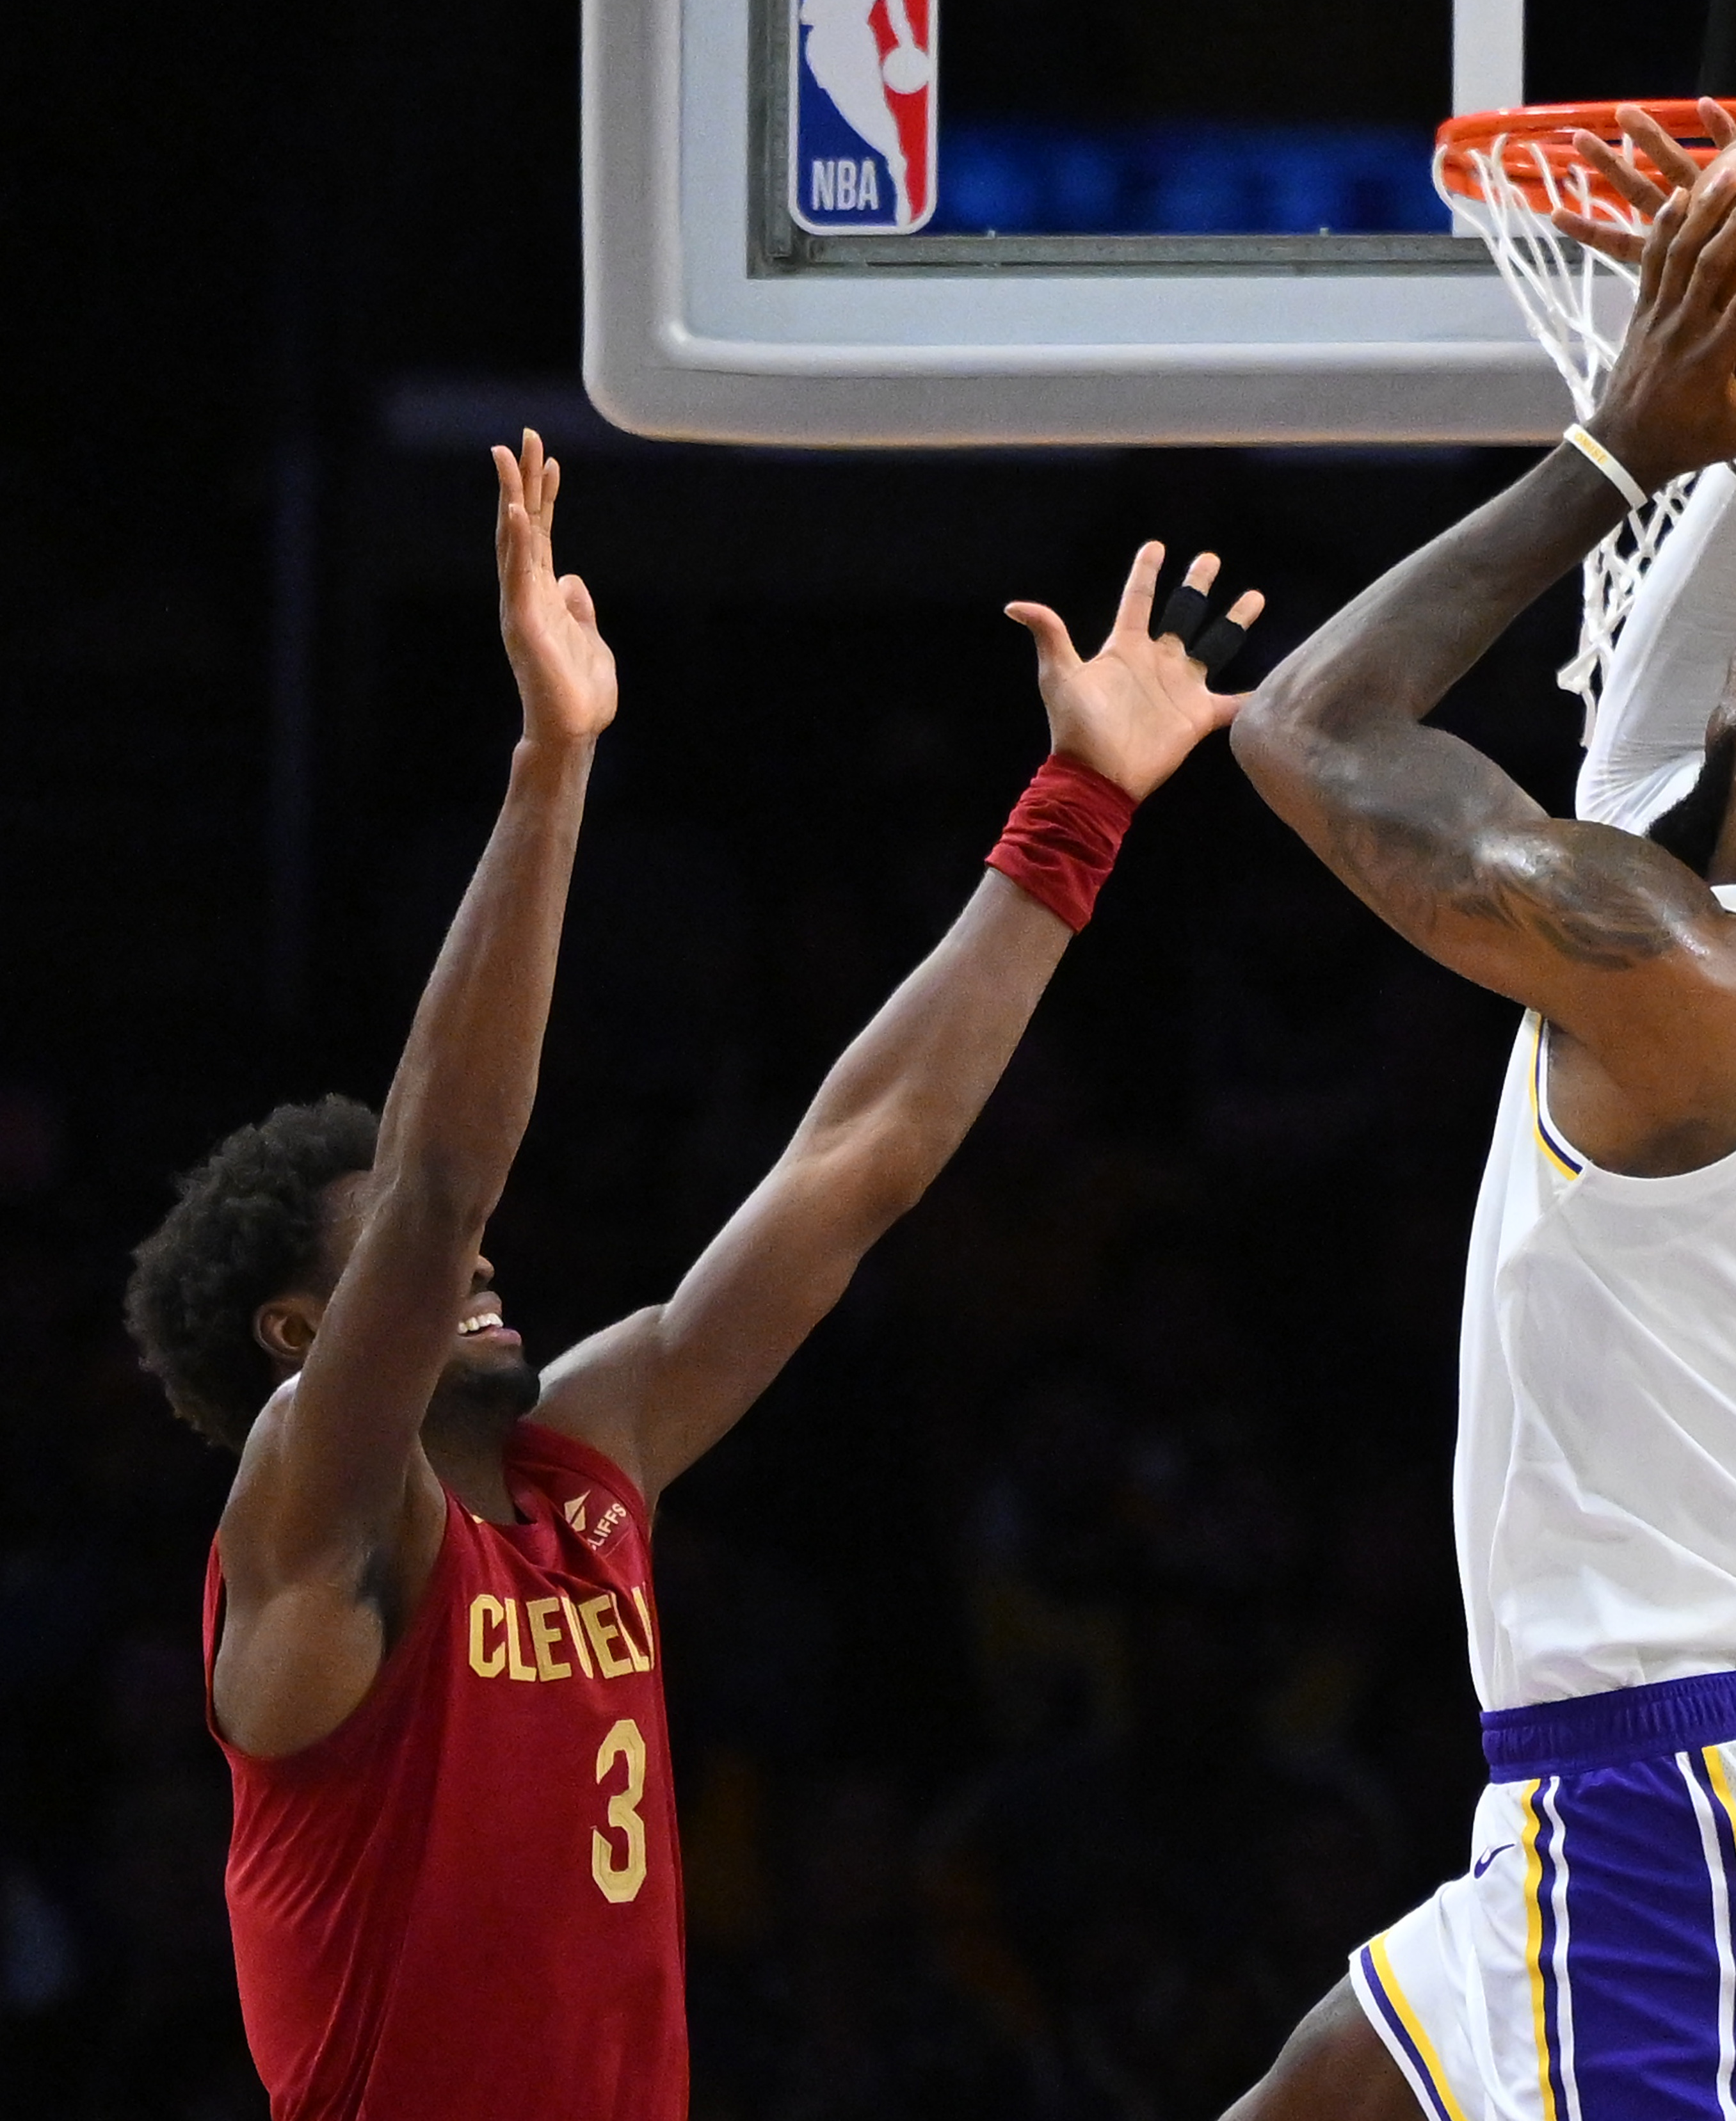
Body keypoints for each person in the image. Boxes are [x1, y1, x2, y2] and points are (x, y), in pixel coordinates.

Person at [124, 431, 1257, 2121]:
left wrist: (1078, 809)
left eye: (463, 1249)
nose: (479, 1256)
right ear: (300, 1330)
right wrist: (552, 765)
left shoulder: (586, 1460)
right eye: (385, 1265)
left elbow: (852, 1165)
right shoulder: (312, 1526)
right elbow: (438, 1187)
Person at [1220, 163, 1736, 2121]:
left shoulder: (1697, 983)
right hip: (1703, 1763)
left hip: (1677, 1802)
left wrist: (1618, 446)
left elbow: (1307, 727)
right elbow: (1653, 762)